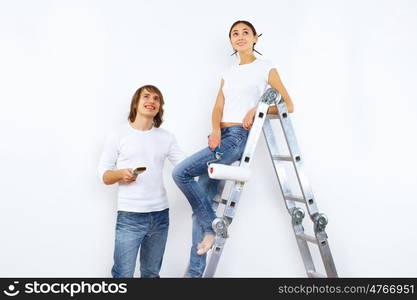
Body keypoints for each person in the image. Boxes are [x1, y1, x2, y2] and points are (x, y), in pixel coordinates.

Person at [172, 20, 295, 277]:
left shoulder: (266, 67)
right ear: (230, 41)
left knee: (180, 173)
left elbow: (288, 105)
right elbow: (218, 107)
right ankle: (194, 273)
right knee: (202, 205)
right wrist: (215, 130)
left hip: (238, 137)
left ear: (255, 38)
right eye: (235, 34)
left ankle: (212, 226)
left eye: (245, 33)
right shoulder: (227, 72)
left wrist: (258, 108)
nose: (240, 37)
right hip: (219, 136)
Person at [98, 85, 184, 278]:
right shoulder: (118, 134)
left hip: (160, 216)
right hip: (130, 217)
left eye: (156, 99)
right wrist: (120, 174)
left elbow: (185, 167)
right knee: (122, 274)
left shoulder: (166, 137)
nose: (151, 101)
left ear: (160, 107)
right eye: (146, 96)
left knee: (151, 274)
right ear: (136, 103)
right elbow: (104, 175)